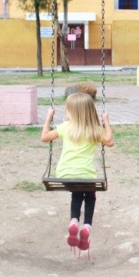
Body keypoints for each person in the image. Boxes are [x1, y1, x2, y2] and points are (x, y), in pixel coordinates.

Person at [40, 92, 114, 253]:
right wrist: (106, 122)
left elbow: (44, 137)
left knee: (76, 194)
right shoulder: (95, 130)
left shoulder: (65, 127)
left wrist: (48, 117)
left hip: (65, 175)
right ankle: (86, 226)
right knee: (90, 196)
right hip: (87, 176)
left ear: (71, 111)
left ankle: (74, 221)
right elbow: (109, 141)